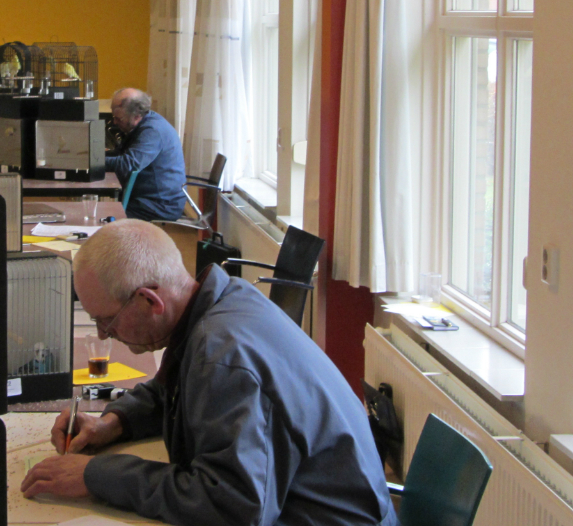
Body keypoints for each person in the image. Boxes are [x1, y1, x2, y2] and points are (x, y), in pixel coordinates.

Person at [20, 220, 398, 526]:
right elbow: (172, 387)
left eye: (106, 321)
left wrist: (96, 476)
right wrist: (113, 423)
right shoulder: (223, 299)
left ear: (149, 300)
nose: (103, 334)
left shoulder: (222, 357)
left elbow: (231, 507)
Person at [105, 88, 187, 222]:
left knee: (102, 216)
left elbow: (128, 164)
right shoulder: (144, 123)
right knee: (102, 210)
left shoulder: (152, 131)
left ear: (136, 116)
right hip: (150, 197)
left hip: (160, 204)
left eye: (118, 118)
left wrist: (92, 162)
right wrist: (96, 157)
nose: (114, 122)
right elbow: (122, 153)